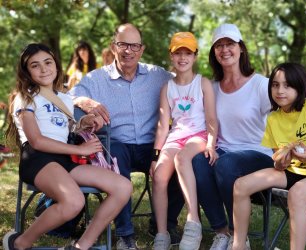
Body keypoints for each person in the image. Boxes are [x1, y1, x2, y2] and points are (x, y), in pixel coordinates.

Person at [2, 43, 132, 250]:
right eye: (35, 65)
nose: (44, 69)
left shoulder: (63, 98)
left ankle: (81, 246)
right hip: (38, 159)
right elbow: (37, 140)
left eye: (48, 62)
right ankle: (19, 242)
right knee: (74, 201)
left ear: (56, 65)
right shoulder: (24, 98)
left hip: (64, 160)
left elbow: (67, 128)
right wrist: (81, 150)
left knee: (123, 187)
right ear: (26, 72)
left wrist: (86, 122)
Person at [68, 23, 184, 250]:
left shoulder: (158, 76)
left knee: (181, 161)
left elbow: (186, 81)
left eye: (134, 46)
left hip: (152, 147)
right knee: (117, 153)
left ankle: (164, 223)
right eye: (123, 44)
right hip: (116, 144)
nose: (128, 51)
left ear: (141, 49)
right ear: (113, 47)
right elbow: (69, 96)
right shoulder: (96, 79)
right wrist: (85, 101)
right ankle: (125, 235)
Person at [231, 62, 306, 250]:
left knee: (297, 193)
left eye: (287, 85)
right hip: (291, 171)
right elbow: (277, 158)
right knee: (240, 185)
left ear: (300, 87)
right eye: (275, 85)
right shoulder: (273, 118)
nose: (280, 91)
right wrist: (280, 162)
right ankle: (238, 245)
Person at [191, 23, 274, 250]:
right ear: (214, 53)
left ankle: (240, 235)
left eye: (230, 44)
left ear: (241, 49)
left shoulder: (261, 85)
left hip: (260, 154)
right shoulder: (212, 87)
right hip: (225, 151)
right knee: (199, 161)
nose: (224, 49)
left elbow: (284, 118)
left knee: (225, 164)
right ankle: (222, 231)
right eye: (219, 45)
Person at [150, 32, 218, 250]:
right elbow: (163, 125)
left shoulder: (203, 83)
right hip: (175, 137)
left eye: (187, 53)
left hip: (198, 136)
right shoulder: (167, 88)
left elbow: (211, 118)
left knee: (182, 158)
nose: (182, 58)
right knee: (159, 176)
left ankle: (193, 222)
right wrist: (156, 155)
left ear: (195, 56)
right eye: (178, 53)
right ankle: (162, 234)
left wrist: (210, 143)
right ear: (171, 56)